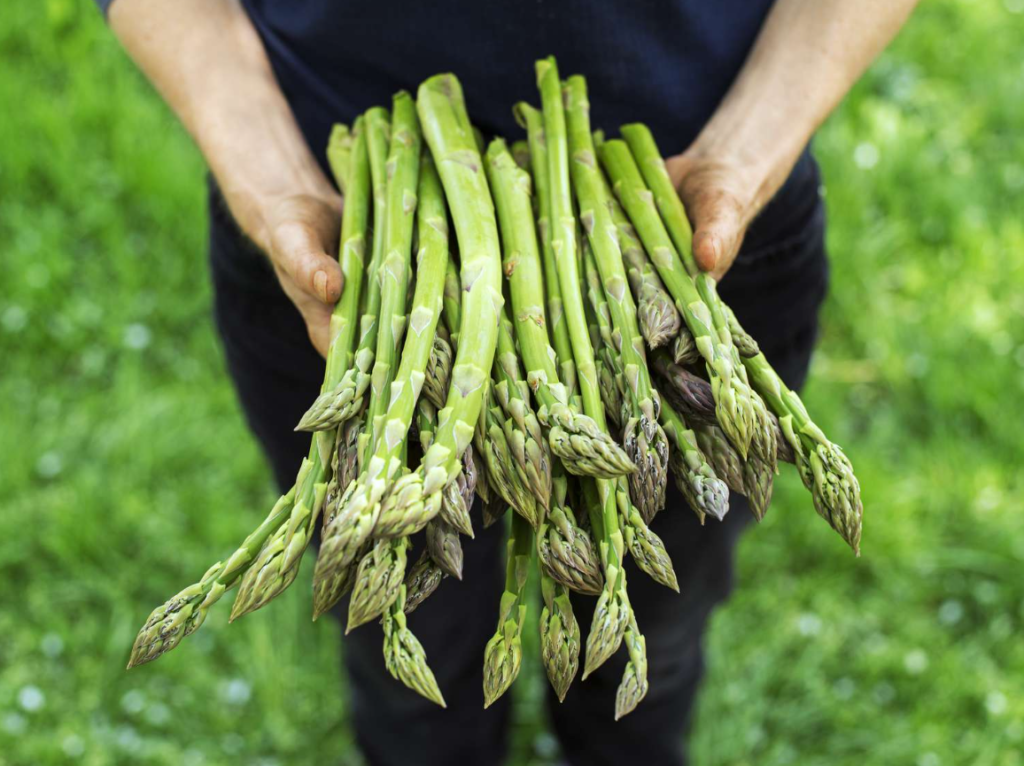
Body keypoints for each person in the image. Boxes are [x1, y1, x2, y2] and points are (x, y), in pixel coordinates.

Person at [95, 1, 917, 764]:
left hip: (682, 232)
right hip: (346, 241)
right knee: (410, 665)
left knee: (649, 643)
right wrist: (264, 168)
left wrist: (748, 150)